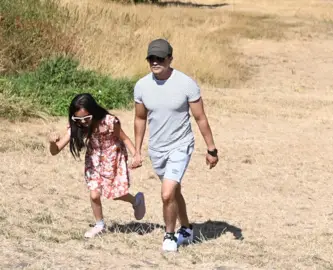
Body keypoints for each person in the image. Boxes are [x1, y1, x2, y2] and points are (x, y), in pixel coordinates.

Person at [131, 38, 219, 252]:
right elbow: (140, 119)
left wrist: (211, 149)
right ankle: (187, 228)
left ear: (170, 58)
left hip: (181, 145)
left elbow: (200, 118)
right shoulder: (142, 86)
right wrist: (137, 150)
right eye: (151, 58)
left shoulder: (186, 84)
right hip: (156, 149)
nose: (155, 62)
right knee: (174, 191)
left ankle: (170, 235)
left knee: (166, 193)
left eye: (160, 58)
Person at [48, 93, 146, 238]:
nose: (83, 122)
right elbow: (55, 151)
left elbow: (124, 138)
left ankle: (136, 200)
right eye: (78, 119)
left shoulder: (110, 121)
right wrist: (51, 142)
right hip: (94, 161)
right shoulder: (76, 125)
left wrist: (136, 155)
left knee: (114, 194)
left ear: (93, 112)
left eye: (86, 118)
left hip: (113, 159)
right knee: (94, 194)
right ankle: (99, 225)